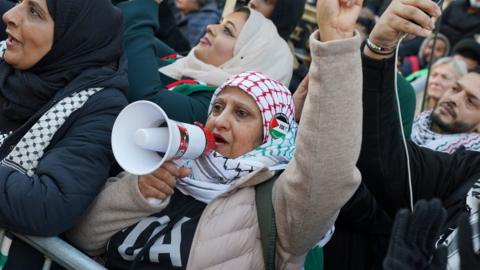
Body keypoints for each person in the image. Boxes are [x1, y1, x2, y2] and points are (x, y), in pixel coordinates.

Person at [67, 0, 364, 268]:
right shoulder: (168, 166)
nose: (219, 121)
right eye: (217, 107)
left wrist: (335, 47)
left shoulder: (276, 207)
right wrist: (137, 194)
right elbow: (79, 238)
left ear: (268, 135)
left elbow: (326, 173)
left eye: (242, 114)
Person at [0, 0, 128, 268]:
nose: (9, 15)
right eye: (20, 3)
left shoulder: (102, 107)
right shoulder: (5, 56)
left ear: (73, 35)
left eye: (34, 12)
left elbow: (49, 204)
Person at [357, 0, 480, 268]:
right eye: (455, 89)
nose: (454, 99)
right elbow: (391, 164)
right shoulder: (468, 169)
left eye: (472, 102)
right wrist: (379, 49)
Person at [119, 0, 293, 125]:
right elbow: (123, 28)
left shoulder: (217, 107)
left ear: (248, 58)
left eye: (227, 31)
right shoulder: (184, 63)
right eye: (220, 23)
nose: (211, 27)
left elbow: (147, 99)